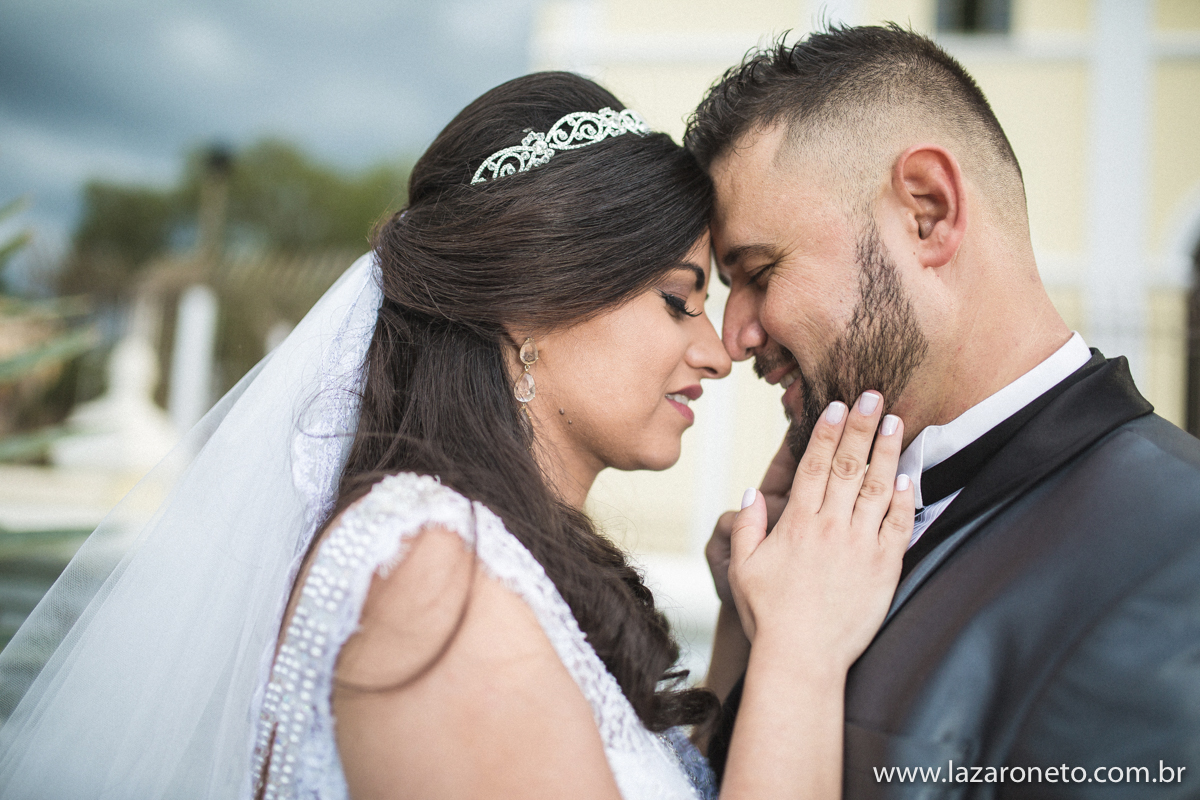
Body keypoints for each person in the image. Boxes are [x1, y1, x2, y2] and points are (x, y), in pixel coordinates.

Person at [0, 72, 915, 800]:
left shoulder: (503, 560)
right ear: (533, 300)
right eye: (679, 299)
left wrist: (746, 632)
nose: (718, 351)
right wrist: (803, 652)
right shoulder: (434, 578)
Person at [687, 24, 1200, 796]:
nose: (734, 336)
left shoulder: (1178, 552)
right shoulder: (806, 542)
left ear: (927, 211)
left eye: (758, 272)